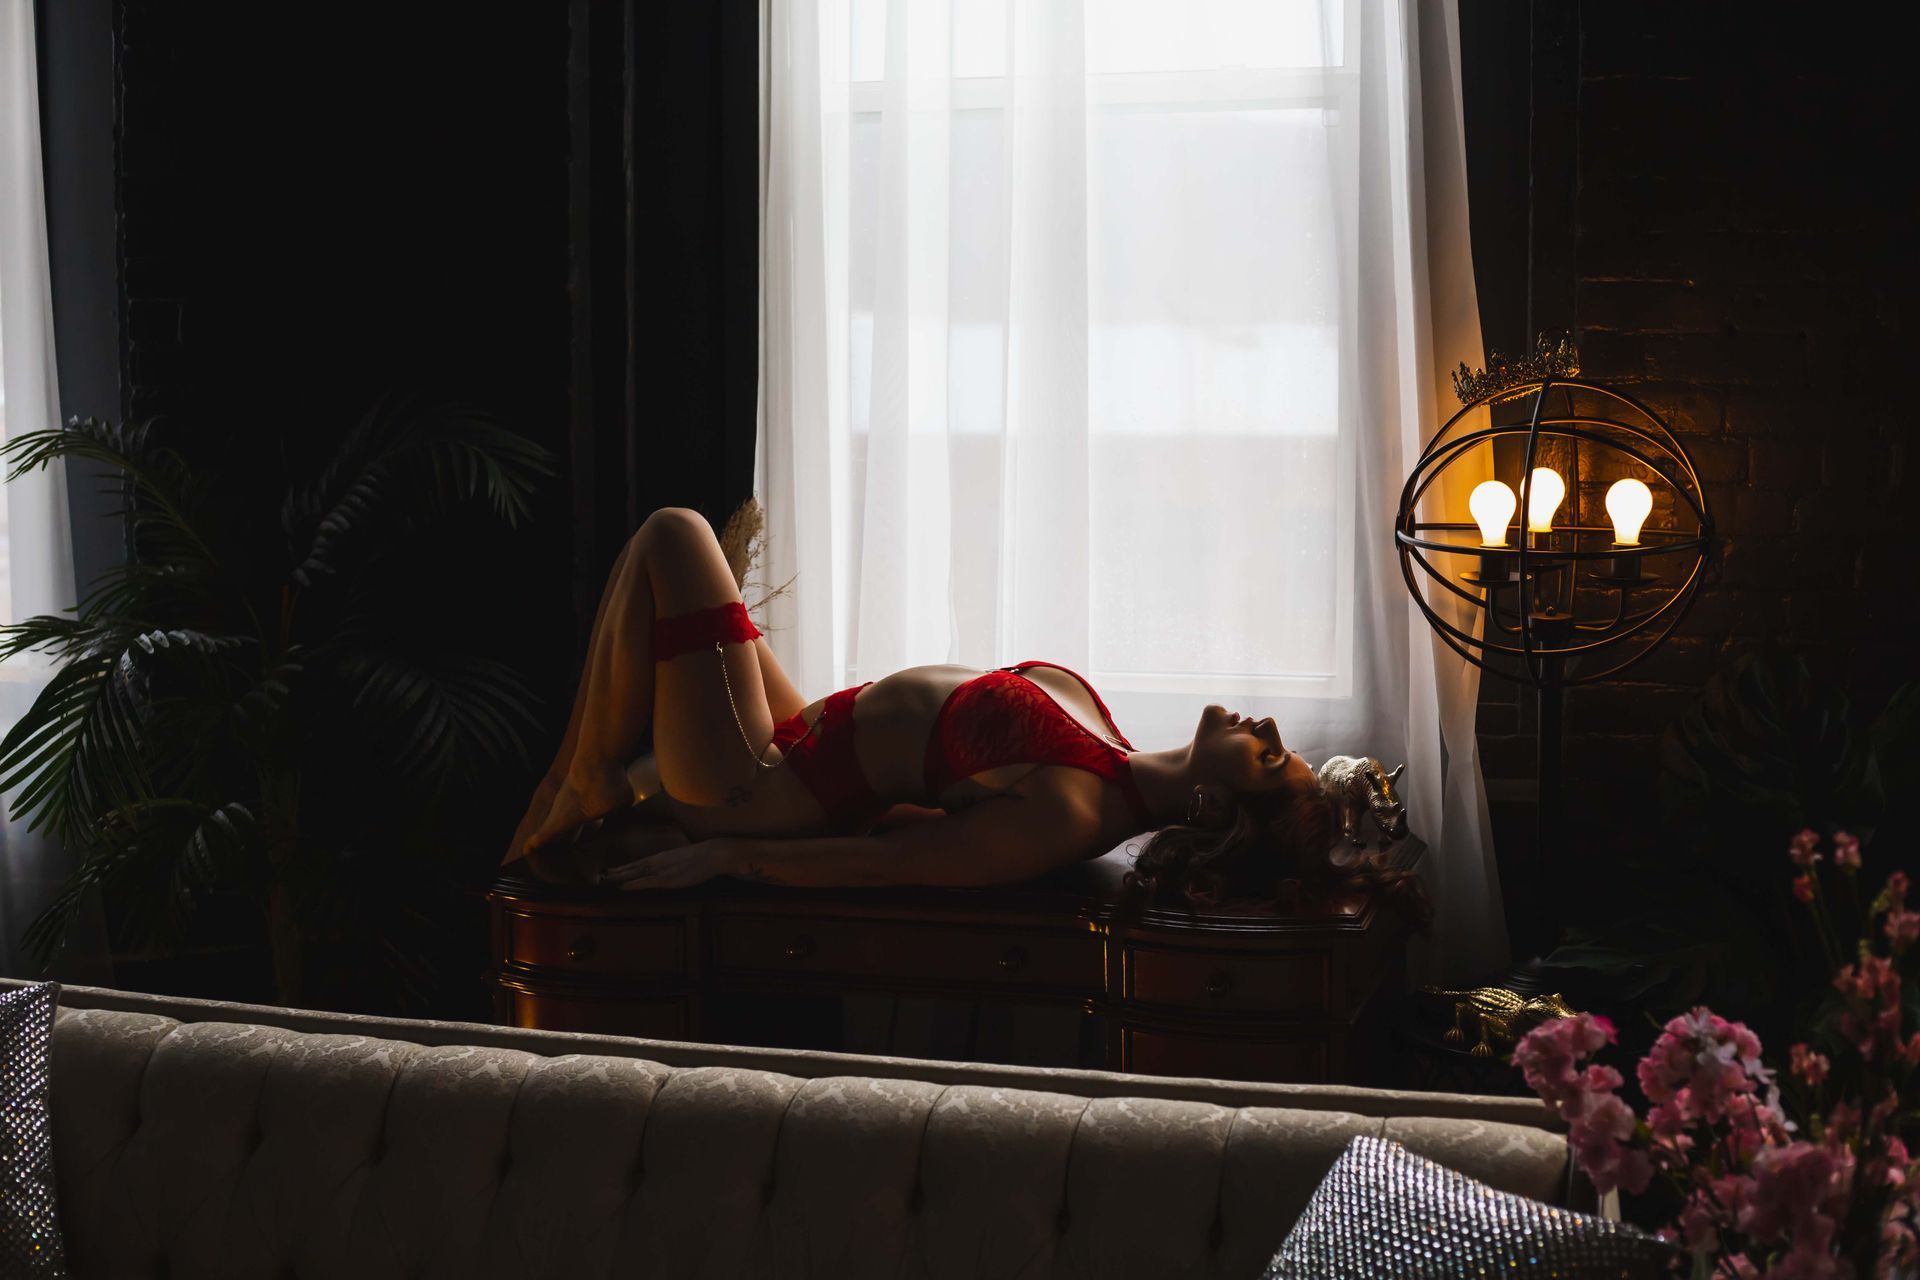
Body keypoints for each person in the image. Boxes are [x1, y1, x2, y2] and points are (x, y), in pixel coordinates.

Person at [502, 507, 1403, 916]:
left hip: (757, 785)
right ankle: (610, 776)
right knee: (689, 562)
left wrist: (726, 855)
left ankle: (585, 783)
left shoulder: (1070, 813)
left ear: (1211, 813)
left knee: (676, 534)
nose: (1274, 734)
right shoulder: (1109, 755)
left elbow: (884, 865)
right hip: (798, 738)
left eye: (1269, 761)